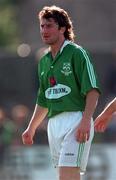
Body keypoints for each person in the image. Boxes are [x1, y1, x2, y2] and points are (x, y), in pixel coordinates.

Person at [22, 5, 101, 180]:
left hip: (76, 120)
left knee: (66, 176)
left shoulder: (77, 53)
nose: (44, 30)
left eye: (49, 25)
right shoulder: (43, 61)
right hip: (54, 124)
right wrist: (31, 127)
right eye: (42, 26)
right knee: (68, 177)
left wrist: (86, 120)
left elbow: (93, 90)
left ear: (63, 28)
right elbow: (44, 99)